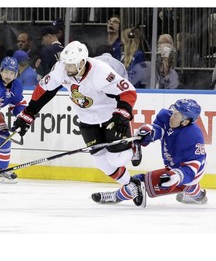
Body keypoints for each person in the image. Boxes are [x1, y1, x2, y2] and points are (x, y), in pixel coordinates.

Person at [13, 41, 145, 206]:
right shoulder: (61, 69)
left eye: (71, 65)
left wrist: (122, 114)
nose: (67, 69)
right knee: (101, 162)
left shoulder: (100, 72)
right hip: (87, 121)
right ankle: (132, 184)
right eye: (66, 65)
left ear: (82, 62)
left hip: (110, 118)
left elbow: (128, 91)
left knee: (116, 159)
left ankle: (134, 146)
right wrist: (28, 113)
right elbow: (44, 89)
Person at [93, 99, 207, 206]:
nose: (172, 117)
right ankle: (199, 196)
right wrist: (149, 132)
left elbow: (193, 167)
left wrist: (177, 176)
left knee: (141, 181)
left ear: (185, 122)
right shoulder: (167, 117)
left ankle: (116, 196)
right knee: (184, 184)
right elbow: (159, 129)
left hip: (191, 171)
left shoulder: (193, 136)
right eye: (174, 112)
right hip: (174, 165)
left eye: (176, 115)